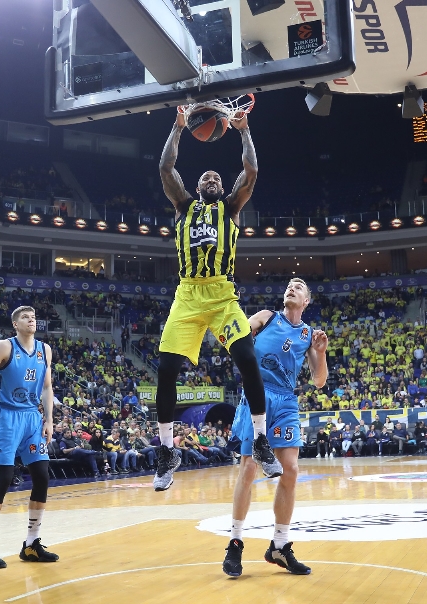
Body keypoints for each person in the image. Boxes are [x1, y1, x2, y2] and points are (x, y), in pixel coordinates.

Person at [153, 108, 280, 492]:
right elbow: (165, 167)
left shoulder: (232, 208)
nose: (211, 179)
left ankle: (260, 441)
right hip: (188, 293)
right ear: (197, 185)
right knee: (166, 370)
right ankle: (165, 451)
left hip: (223, 295)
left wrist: (244, 131)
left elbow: (252, 172)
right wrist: (177, 126)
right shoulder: (182, 207)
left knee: (247, 360)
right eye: (205, 177)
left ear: (223, 188)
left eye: (217, 178)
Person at [224, 278, 327, 577]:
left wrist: (320, 353)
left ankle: (279, 546)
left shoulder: (309, 334)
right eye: (290, 286)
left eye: (299, 287)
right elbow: (241, 330)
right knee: (248, 468)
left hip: (285, 401)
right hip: (257, 394)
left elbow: (319, 381)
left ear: (306, 301)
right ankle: (235, 541)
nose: (292, 288)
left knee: (291, 470)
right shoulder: (268, 317)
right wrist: (236, 323)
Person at [0, 306, 59, 569]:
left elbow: (47, 386)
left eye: (34, 317)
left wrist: (49, 419)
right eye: (25, 317)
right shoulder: (4, 347)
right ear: (15, 324)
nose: (32, 320)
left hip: (32, 417)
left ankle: (31, 543)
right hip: (7, 417)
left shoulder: (45, 350)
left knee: (42, 476)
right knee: (5, 478)